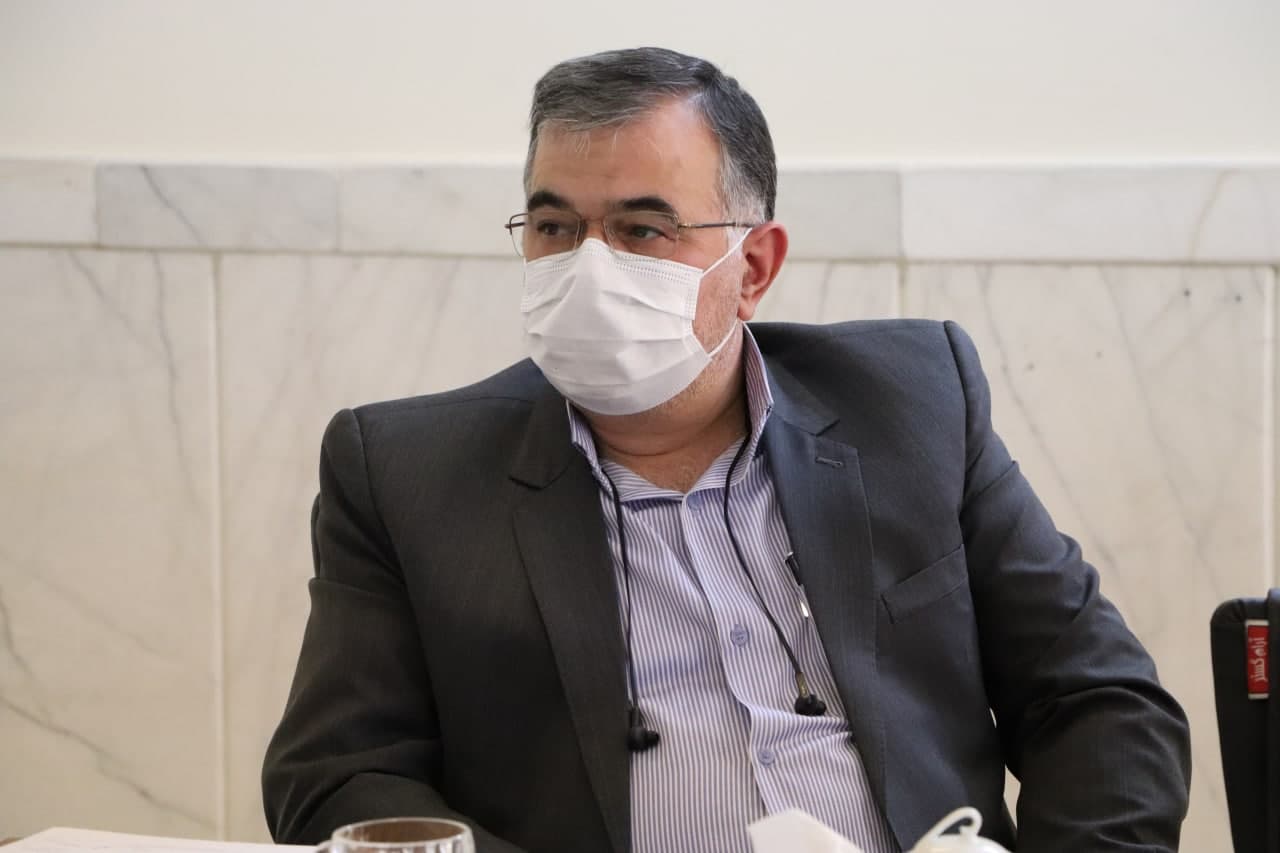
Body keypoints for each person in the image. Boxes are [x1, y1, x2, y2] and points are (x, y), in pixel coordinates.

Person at [262, 47, 1191, 853]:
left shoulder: (912, 405)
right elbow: (339, 774)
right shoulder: (404, 473)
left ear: (752, 268)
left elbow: (1100, 700)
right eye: (554, 227)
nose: (589, 266)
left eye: (641, 229)